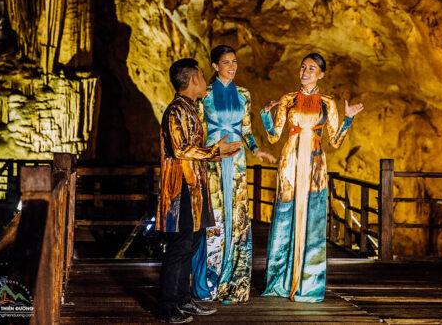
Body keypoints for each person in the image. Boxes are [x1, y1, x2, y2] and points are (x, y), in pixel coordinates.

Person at [260, 53, 364, 302]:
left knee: (313, 220)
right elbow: (274, 136)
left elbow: (336, 141)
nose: (306, 72)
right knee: (286, 216)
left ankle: (309, 284)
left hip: (316, 162)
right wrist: (265, 114)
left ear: (321, 74)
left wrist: (348, 118)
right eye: (303, 67)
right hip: (291, 161)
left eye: (312, 68)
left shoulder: (328, 102)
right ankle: (280, 282)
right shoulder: (288, 99)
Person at [156, 58, 242, 323]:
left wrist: (216, 154)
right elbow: (181, 149)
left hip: (196, 186)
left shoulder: (190, 108)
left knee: (192, 243)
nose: (205, 82)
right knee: (179, 246)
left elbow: (196, 151)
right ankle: (167, 306)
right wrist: (214, 151)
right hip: (180, 187)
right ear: (193, 79)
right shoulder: (175, 111)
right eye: (203, 76)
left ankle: (183, 299)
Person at [191, 45, 276, 303]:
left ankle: (233, 282)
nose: (232, 66)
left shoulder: (244, 94)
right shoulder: (203, 94)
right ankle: (209, 282)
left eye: (234, 61)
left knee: (237, 218)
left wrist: (257, 150)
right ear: (215, 66)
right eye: (226, 62)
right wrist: (208, 153)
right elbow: (198, 132)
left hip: (237, 159)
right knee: (215, 216)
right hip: (214, 159)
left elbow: (247, 130)